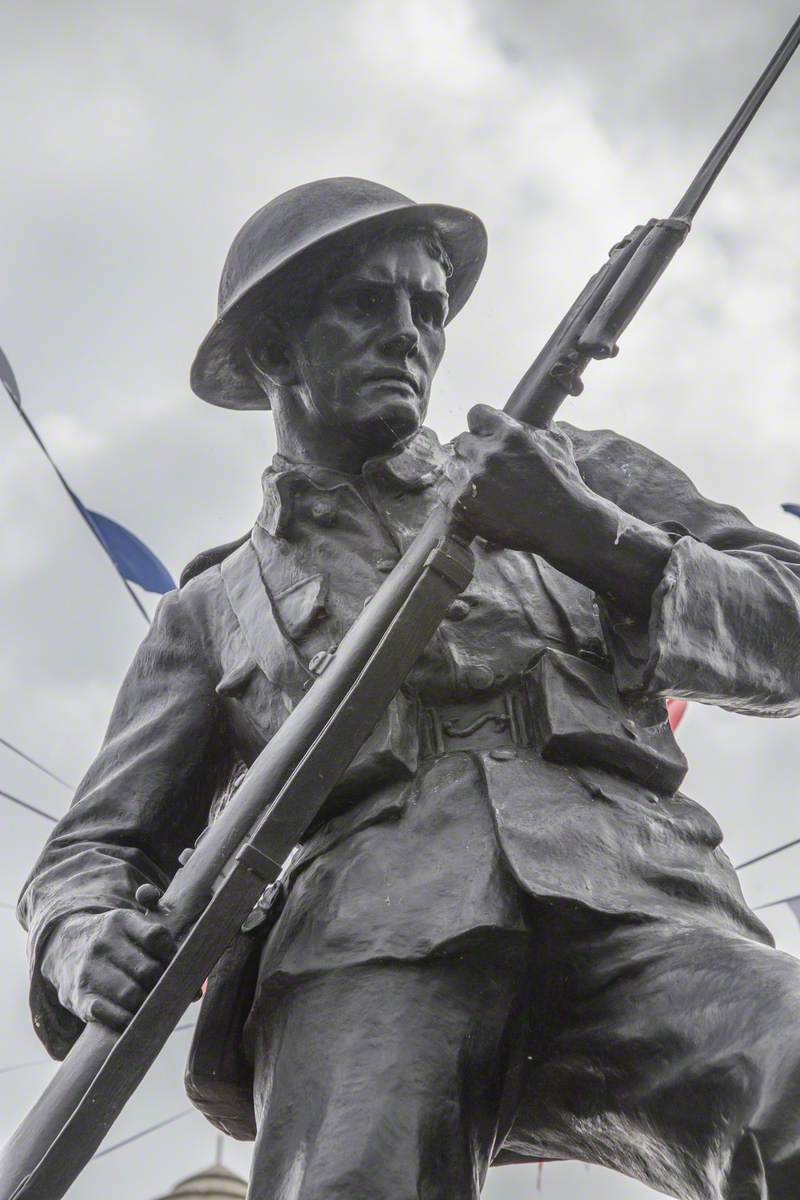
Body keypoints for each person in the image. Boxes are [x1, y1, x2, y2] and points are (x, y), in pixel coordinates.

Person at [19, 178, 800, 1200]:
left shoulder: (569, 469)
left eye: (425, 308)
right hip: (366, 956)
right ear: (269, 351)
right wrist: (82, 941)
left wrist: (593, 539)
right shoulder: (209, 608)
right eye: (364, 303)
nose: (409, 335)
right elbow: (92, 850)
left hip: (639, 909)